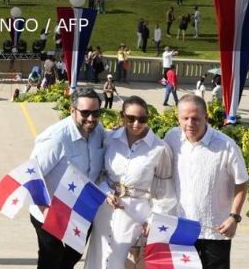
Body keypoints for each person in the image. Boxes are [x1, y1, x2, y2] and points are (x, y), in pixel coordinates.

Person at [83, 96, 176, 269]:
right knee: (101, 258)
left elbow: (165, 191)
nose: (136, 124)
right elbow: (102, 174)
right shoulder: (110, 139)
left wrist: (155, 219)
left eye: (142, 119)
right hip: (106, 209)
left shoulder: (160, 148)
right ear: (122, 116)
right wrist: (105, 191)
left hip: (137, 214)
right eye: (131, 118)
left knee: (125, 261)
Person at [165, 95, 249, 269]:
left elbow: (242, 183)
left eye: (195, 118)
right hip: (182, 229)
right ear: (178, 118)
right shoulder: (171, 139)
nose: (190, 123)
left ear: (206, 118)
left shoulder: (226, 146)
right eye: (185, 118)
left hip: (215, 231)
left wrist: (234, 217)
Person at [29, 88, 105, 269]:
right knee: (51, 259)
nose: (91, 118)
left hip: (80, 211)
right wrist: (45, 210)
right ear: (72, 110)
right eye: (85, 113)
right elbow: (32, 175)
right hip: (50, 210)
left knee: (72, 256)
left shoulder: (98, 131)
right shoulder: (55, 138)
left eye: (96, 113)